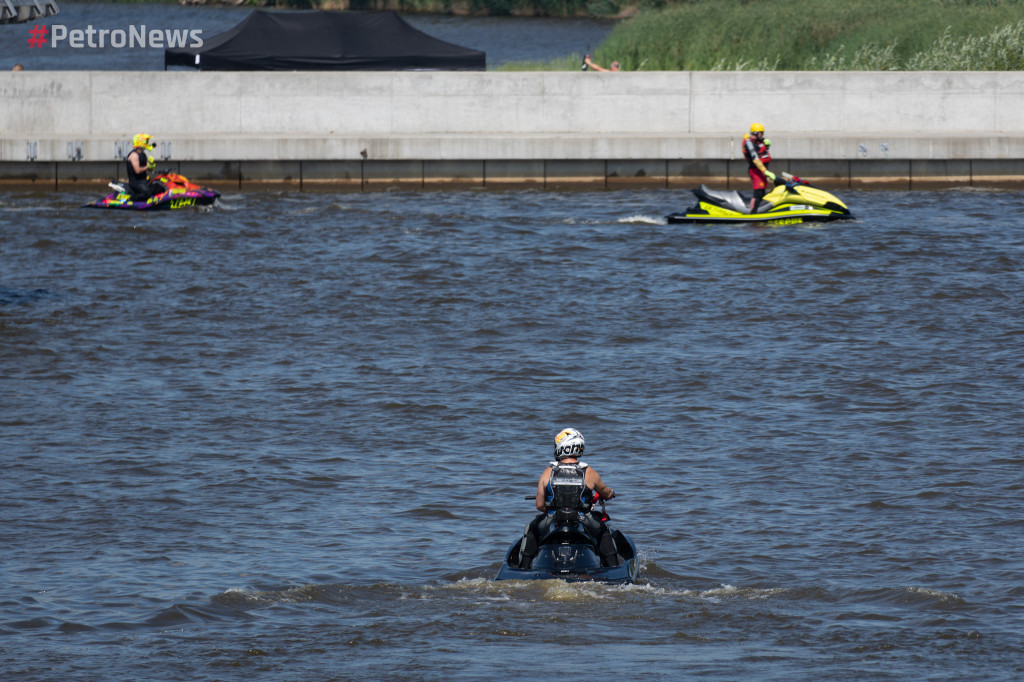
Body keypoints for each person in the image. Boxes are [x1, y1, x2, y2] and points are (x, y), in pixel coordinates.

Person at [515, 427, 620, 569]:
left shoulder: (548, 472)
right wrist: (610, 493)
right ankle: (613, 567)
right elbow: (606, 493)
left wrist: (550, 509)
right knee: (604, 531)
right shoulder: (589, 472)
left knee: (532, 529)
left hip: (554, 519)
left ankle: (523, 567)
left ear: (562, 446)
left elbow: (539, 505)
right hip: (583, 519)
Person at [743, 122, 776, 212]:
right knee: (757, 192)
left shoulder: (758, 142)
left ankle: (760, 210)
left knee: (762, 192)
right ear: (755, 133)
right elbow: (756, 159)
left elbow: (762, 152)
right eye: (761, 133)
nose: (762, 135)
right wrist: (766, 171)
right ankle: (753, 213)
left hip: (761, 171)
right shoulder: (749, 143)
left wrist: (767, 145)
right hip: (755, 171)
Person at [125, 133, 164, 200]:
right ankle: (131, 199)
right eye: (146, 141)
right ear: (141, 142)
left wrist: (151, 166)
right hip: (135, 182)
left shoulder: (143, 154)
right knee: (146, 193)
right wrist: (147, 166)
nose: (148, 143)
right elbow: (137, 170)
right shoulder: (134, 155)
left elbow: (149, 169)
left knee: (160, 188)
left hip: (144, 180)